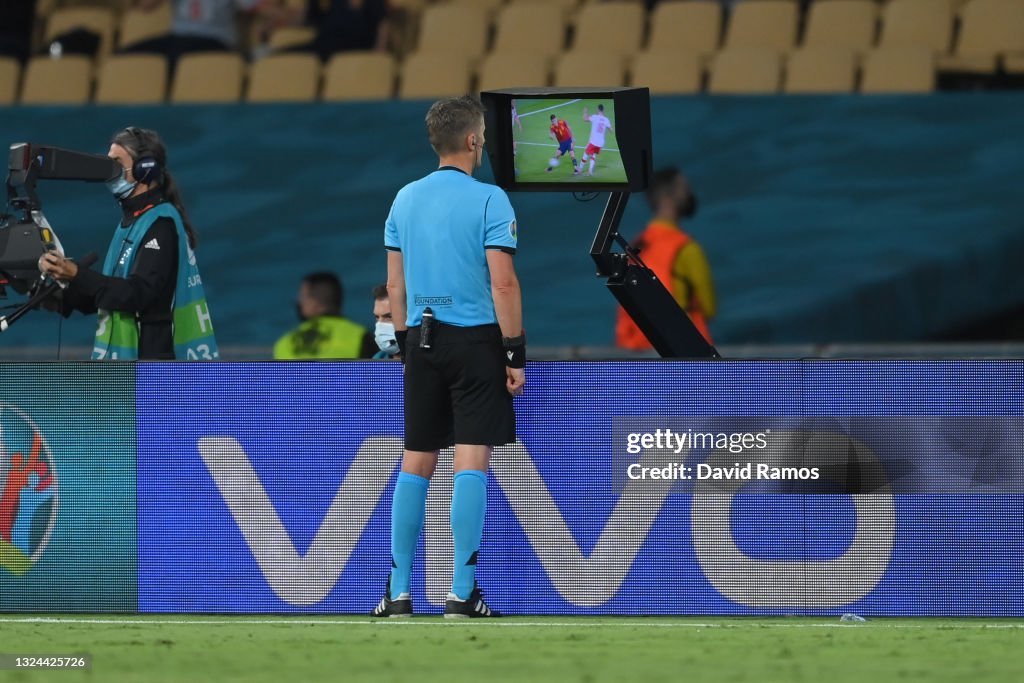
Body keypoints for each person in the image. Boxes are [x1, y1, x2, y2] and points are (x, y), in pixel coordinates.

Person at [373, 95, 525, 619]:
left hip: (419, 339)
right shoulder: (490, 200)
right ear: (473, 140)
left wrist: (401, 342)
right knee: (470, 457)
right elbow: (502, 284)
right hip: (475, 339)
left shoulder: (403, 199)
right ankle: (461, 591)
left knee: (416, 459)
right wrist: (515, 352)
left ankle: (397, 591)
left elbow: (396, 283)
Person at [38, 127, 219, 361]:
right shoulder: (133, 222)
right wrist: (52, 291)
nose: (108, 171)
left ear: (145, 168)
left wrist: (77, 274)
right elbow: (107, 296)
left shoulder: (160, 223)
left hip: (157, 371)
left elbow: (138, 294)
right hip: (137, 371)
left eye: (116, 163)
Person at [615, 167, 716, 348]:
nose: (689, 194)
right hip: (682, 352)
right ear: (668, 198)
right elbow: (709, 307)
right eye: (684, 188)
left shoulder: (636, 247)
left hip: (639, 351)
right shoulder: (686, 248)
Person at [125, 0, 277, 65]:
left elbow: (264, 8)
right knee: (128, 57)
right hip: (177, 37)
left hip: (215, 40)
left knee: (180, 55)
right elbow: (146, 6)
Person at [273, 272, 377, 359]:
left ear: (314, 303)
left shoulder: (284, 343)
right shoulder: (360, 337)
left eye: (302, 297)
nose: (298, 302)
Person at [581, 103, 613, 177]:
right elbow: (611, 130)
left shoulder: (595, 117)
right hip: (601, 143)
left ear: (598, 109)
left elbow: (585, 119)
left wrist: (585, 112)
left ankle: (580, 169)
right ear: (603, 110)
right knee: (593, 154)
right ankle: (590, 171)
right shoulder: (606, 119)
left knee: (586, 154)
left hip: (593, 141)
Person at [370, 283, 399, 360]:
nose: (380, 325)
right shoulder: (377, 361)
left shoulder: (430, 363)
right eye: (377, 317)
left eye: (389, 317)